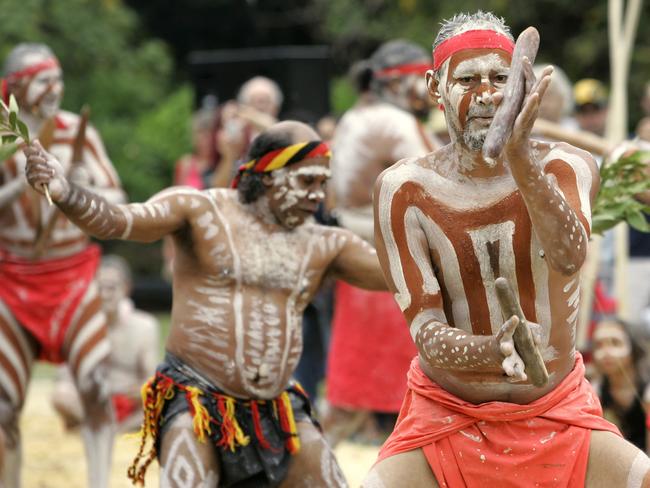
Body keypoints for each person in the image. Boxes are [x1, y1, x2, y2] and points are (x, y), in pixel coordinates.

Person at [365, 11, 650, 487]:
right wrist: (490, 350)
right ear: (436, 89)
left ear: (523, 84)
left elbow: (569, 257)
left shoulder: (565, 165)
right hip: (447, 419)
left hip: (558, 412)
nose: (488, 94)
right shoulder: (403, 189)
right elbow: (426, 331)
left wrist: (520, 159)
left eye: (500, 78)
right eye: (468, 79)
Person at [24, 120, 387, 487]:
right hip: (195, 399)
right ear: (267, 174)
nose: (317, 196)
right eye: (306, 181)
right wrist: (66, 191)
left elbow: (401, 274)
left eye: (322, 184)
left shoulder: (325, 244)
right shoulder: (199, 211)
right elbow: (120, 221)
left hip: (277, 408)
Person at [0, 43, 125, 488]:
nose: (56, 89)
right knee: (2, 404)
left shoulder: (77, 131)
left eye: (58, 78)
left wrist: (78, 185)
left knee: (94, 383)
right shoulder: (0, 134)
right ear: (15, 86)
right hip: (12, 280)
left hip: (73, 274)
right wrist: (20, 184)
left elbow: (118, 199)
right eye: (44, 79)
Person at [324, 39, 439, 447]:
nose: (431, 90)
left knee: (355, 395)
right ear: (397, 83)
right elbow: (441, 183)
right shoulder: (394, 123)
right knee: (405, 387)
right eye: (422, 80)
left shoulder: (359, 116)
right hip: (387, 261)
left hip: (366, 256)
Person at [51, 255, 160, 433]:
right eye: (99, 288)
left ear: (126, 288)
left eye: (111, 287)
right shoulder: (76, 325)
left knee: (162, 401)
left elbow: (151, 380)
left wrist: (138, 391)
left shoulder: (145, 326)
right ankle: (95, 425)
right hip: (88, 404)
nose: (105, 294)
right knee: (62, 394)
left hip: (129, 406)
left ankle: (109, 429)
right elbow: (64, 377)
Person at [591, 317, 650, 453]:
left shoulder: (647, 391)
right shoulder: (595, 394)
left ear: (633, 348)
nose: (606, 352)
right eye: (599, 345)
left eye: (615, 343)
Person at [211, 76, 283, 188]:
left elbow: (276, 129)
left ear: (276, 107)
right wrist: (229, 156)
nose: (260, 105)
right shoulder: (239, 135)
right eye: (255, 101)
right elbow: (217, 185)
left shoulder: (282, 131)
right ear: (246, 104)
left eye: (265, 101)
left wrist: (244, 112)